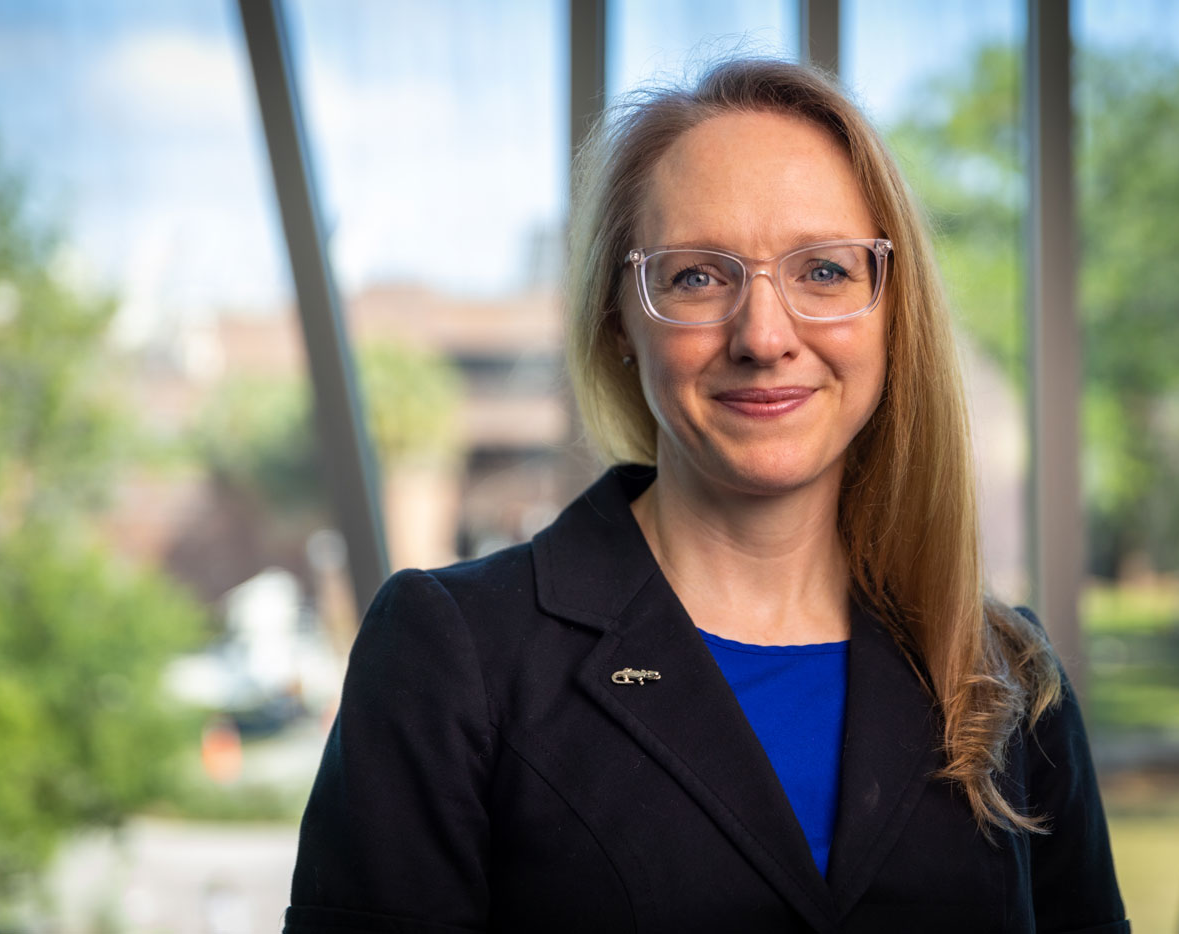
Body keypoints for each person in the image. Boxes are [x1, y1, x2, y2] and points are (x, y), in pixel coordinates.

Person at [283, 58, 1128, 933]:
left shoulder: (1004, 674)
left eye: (825, 272)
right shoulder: (450, 656)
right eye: (697, 277)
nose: (764, 336)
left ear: (892, 306)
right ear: (618, 315)